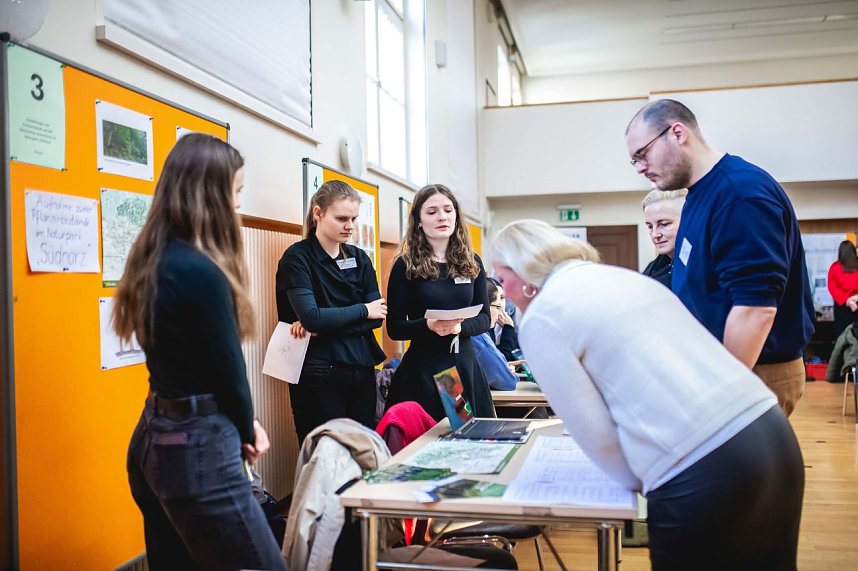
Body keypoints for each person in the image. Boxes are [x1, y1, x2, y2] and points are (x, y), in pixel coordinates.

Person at [492, 220, 804, 571]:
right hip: (770, 432)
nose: (503, 290)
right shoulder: (621, 278)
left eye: (502, 279)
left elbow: (598, 439)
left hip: (701, 462)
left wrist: (642, 484)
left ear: (523, 272)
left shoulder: (544, 316)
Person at [113, 134, 286, 570]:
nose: (239, 206)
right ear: (211, 196)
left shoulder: (152, 259)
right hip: (195, 447)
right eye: (237, 193)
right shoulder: (200, 271)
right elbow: (229, 374)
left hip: (154, 437)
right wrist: (248, 429)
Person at [625, 99, 814, 417]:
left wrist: (724, 389)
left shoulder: (739, 193)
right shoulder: (699, 195)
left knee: (742, 469)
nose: (641, 168)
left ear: (678, 133)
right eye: (634, 162)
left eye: (642, 154)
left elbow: (755, 309)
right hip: (723, 367)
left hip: (752, 371)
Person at [276, 180, 387, 445]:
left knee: (360, 452)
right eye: (341, 218)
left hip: (361, 368)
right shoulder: (297, 258)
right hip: (319, 373)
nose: (349, 226)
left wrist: (326, 322)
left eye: (353, 218)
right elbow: (313, 318)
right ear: (318, 213)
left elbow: (378, 316)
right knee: (322, 455)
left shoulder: (360, 258)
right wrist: (362, 310)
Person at [385, 184, 495, 421]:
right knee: (427, 444)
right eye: (432, 211)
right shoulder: (405, 265)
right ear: (419, 220)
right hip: (424, 368)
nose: (442, 217)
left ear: (456, 215)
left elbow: (485, 318)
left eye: (447, 210)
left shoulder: (471, 261)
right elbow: (394, 328)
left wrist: (459, 327)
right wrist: (428, 325)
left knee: (468, 440)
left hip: (463, 364)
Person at [473, 278, 519, 391]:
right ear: (485, 306)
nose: (500, 311)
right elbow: (508, 382)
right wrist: (507, 372)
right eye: (497, 307)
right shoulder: (479, 337)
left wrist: (503, 367)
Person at [640, 188, 687, 288]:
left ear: (686, 221)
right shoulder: (653, 268)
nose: (655, 234)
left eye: (664, 224)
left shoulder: (701, 267)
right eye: (650, 226)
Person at [827, 240, 858, 339]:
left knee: (842, 338)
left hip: (841, 308)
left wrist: (847, 301)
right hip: (857, 304)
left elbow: (832, 287)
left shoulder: (835, 267)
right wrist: (854, 299)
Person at [487, 276, 521, 361]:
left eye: (502, 298)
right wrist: (508, 329)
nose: (500, 304)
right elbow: (500, 360)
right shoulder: (483, 326)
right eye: (495, 299)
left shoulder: (513, 315)